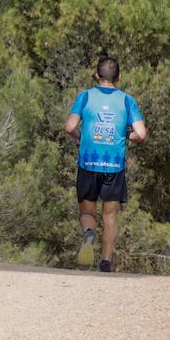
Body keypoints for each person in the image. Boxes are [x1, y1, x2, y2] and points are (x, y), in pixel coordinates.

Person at [64, 56, 147, 272]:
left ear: (96, 76)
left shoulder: (85, 97)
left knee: (87, 213)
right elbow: (141, 134)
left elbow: (69, 126)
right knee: (109, 215)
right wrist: (125, 137)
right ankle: (106, 261)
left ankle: (89, 233)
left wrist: (82, 137)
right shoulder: (127, 100)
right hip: (114, 165)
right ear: (118, 77)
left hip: (88, 162)